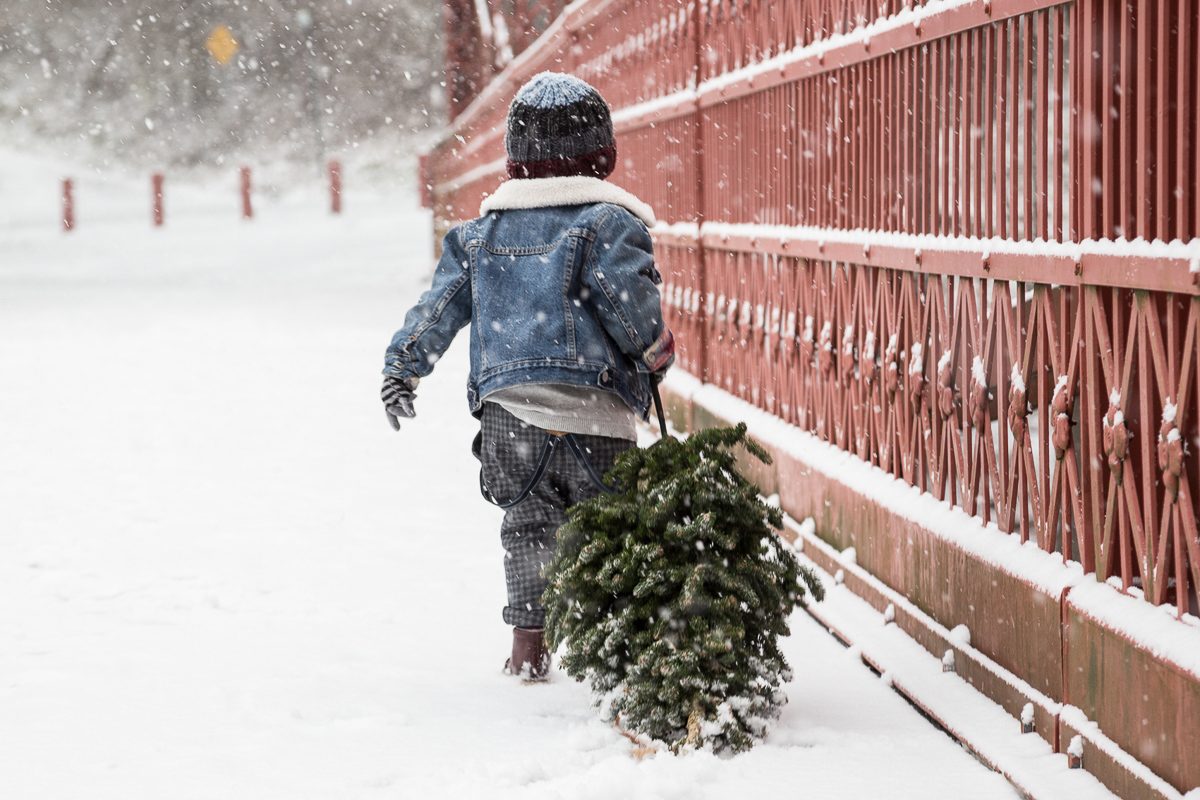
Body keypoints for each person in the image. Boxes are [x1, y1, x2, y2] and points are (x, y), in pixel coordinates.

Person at [380, 72, 674, 680]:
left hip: (511, 418)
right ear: (603, 155)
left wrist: (403, 366)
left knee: (528, 527)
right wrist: (653, 350)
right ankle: (610, 650)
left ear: (514, 163)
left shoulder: (478, 238)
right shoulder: (608, 226)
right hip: (596, 416)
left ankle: (528, 647)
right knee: (608, 532)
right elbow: (628, 309)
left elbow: (438, 309)